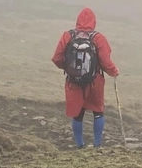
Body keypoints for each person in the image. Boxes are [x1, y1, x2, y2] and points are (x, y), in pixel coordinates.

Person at [51, 8, 119, 149]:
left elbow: (57, 58)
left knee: (78, 113)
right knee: (98, 111)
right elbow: (106, 62)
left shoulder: (67, 36)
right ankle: (97, 144)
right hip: (95, 81)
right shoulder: (98, 38)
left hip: (73, 82)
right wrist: (114, 72)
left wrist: (69, 69)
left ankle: (80, 145)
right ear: (93, 22)